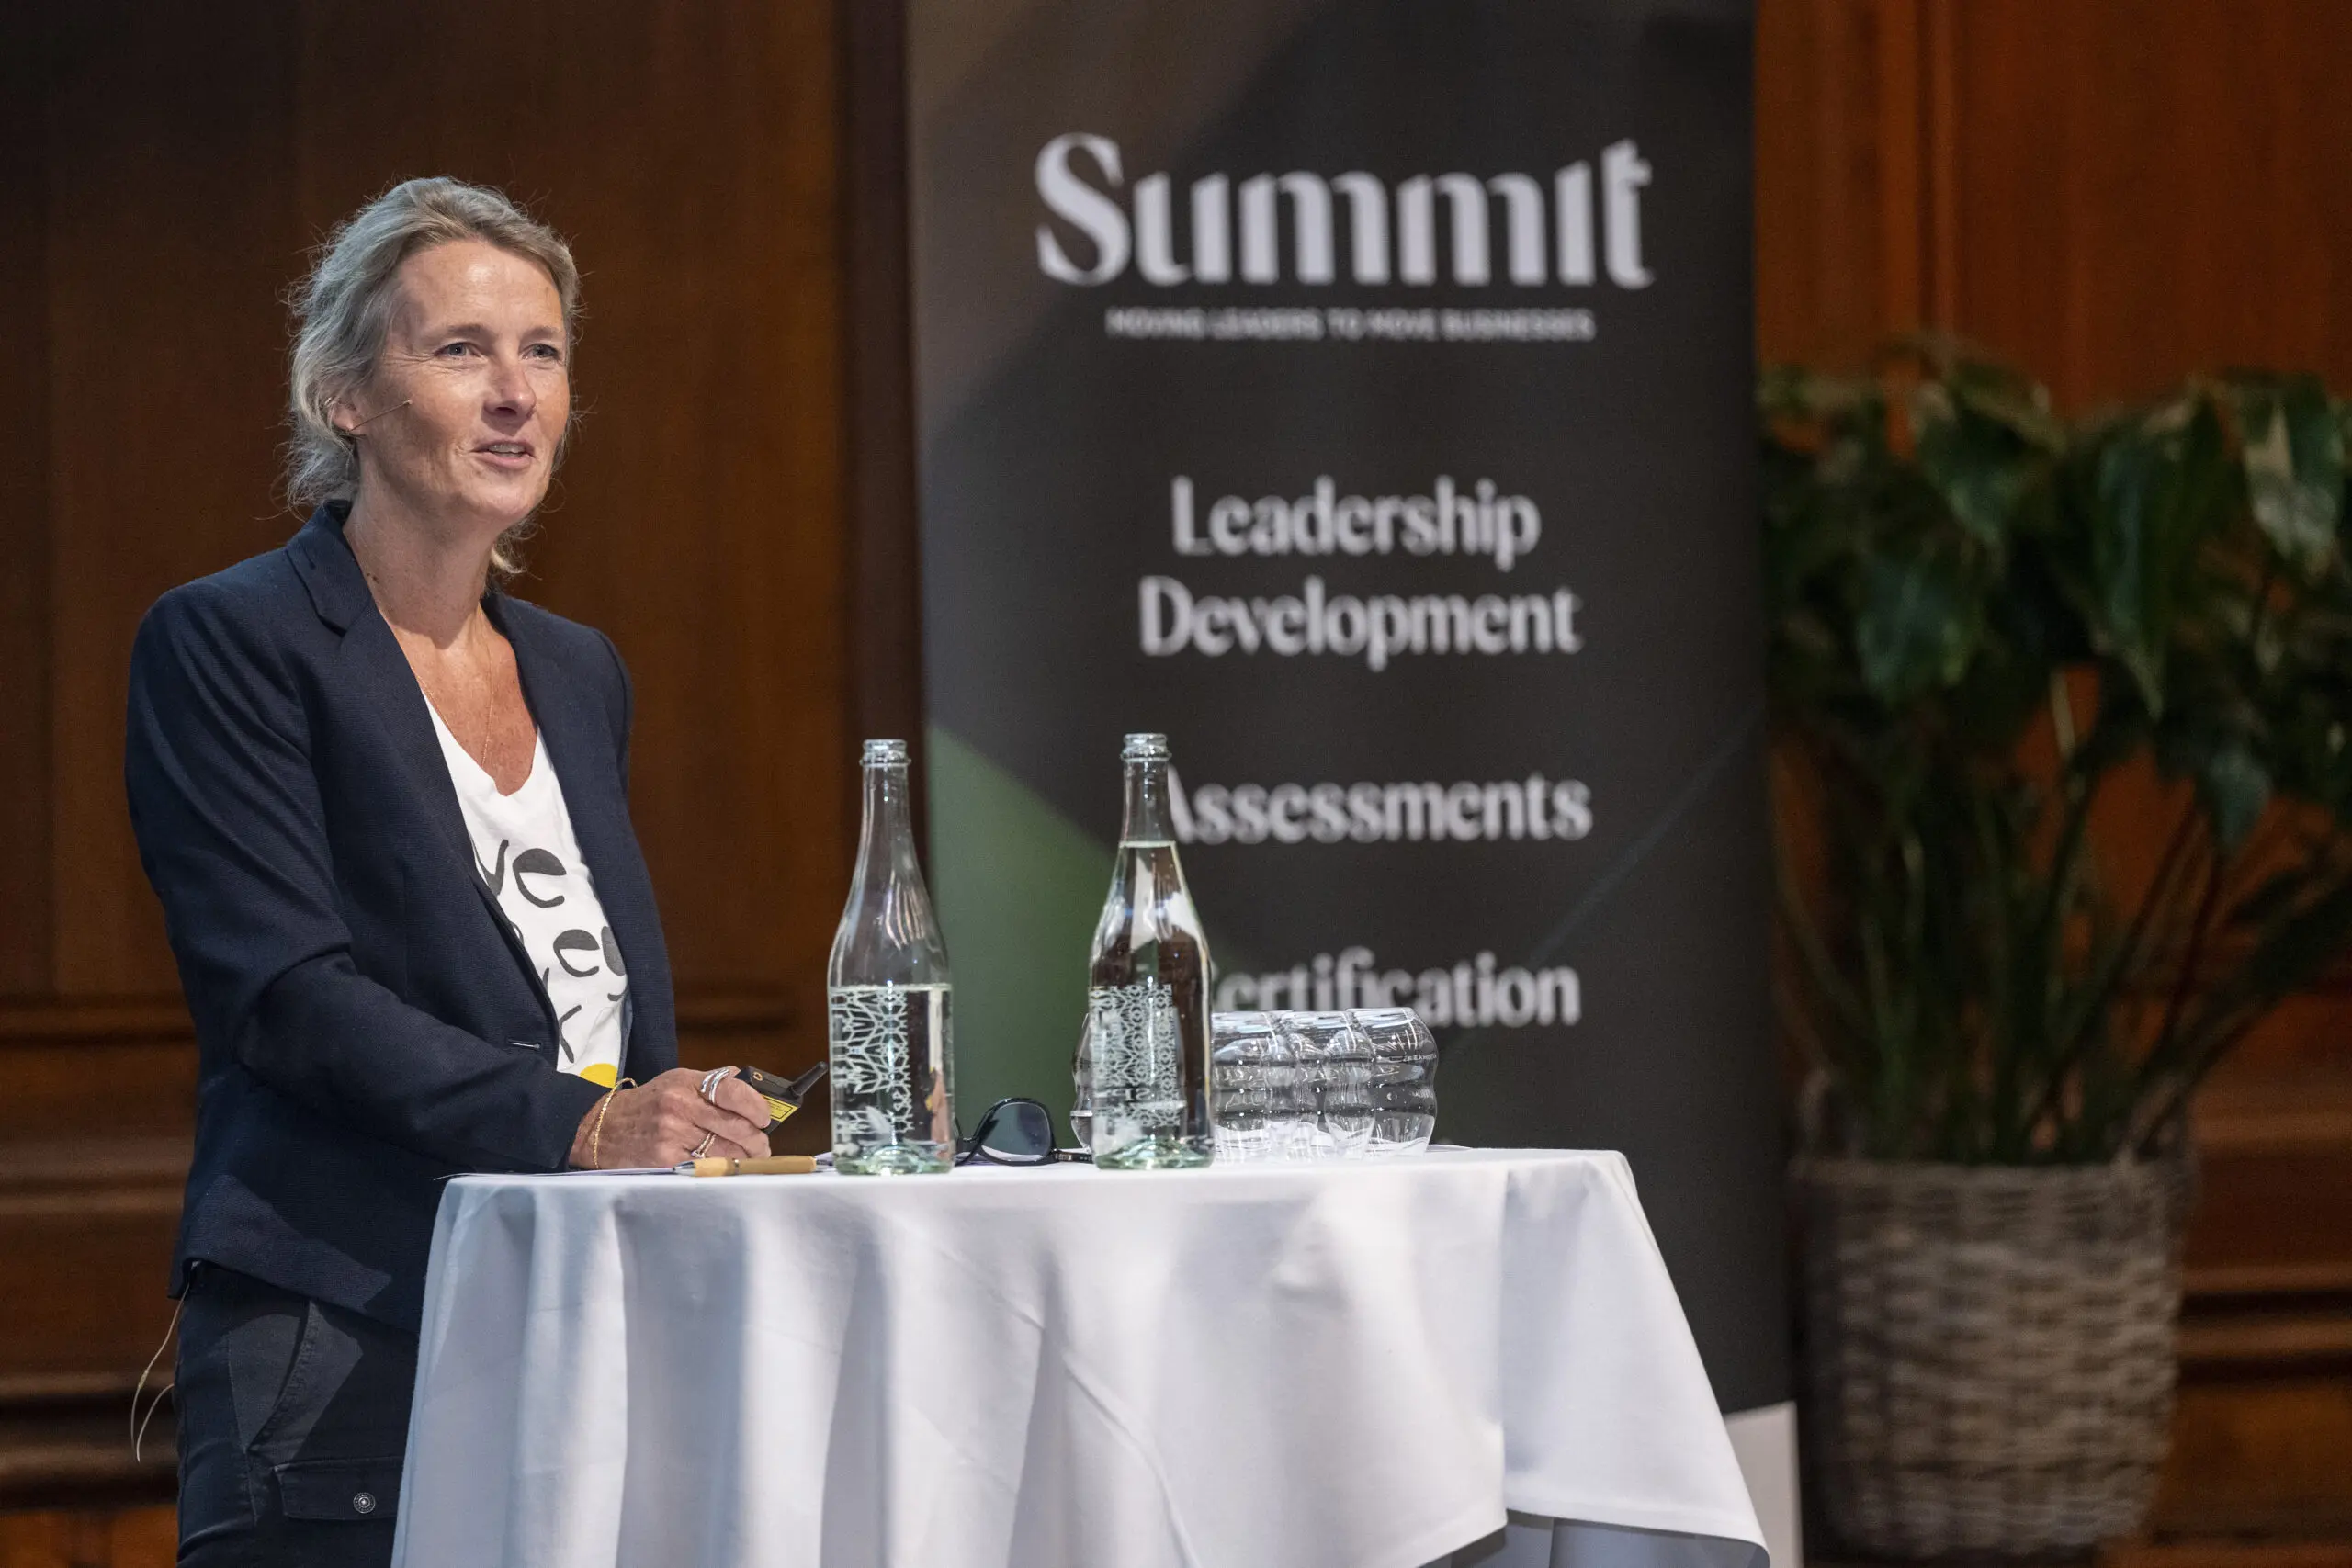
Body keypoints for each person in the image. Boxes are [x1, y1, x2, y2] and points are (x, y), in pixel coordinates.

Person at [124, 177, 775, 1566]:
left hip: (579, 1304)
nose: (515, 395)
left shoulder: (578, 669)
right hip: (346, 1325)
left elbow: (585, 991)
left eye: (543, 353)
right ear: (343, 394)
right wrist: (584, 1122)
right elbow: (286, 997)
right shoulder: (233, 640)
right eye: (462, 350)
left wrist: (674, 1118)